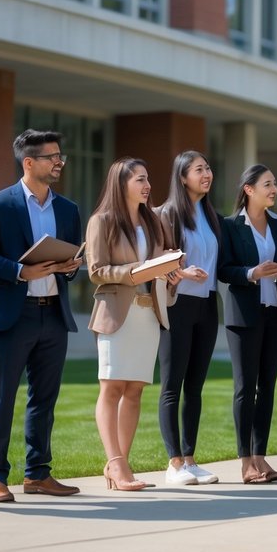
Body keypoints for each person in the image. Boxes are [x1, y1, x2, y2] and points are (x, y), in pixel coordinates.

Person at [0, 130, 83, 504]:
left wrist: (70, 267)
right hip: (12, 314)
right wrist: (22, 272)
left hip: (54, 313)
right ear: (29, 162)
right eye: (52, 156)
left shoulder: (68, 209)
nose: (58, 163)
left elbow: (71, 264)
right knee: (1, 397)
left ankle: (38, 474)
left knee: (44, 399)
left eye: (60, 156)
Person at [85, 157, 180, 491]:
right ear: (121, 183)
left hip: (147, 313)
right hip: (116, 313)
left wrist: (172, 273)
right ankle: (116, 463)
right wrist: (137, 271)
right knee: (111, 388)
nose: (146, 184)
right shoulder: (102, 221)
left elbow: (161, 268)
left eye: (147, 178)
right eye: (139, 178)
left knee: (136, 390)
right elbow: (96, 271)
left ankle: (120, 465)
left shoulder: (154, 222)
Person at [217, 164, 277, 484]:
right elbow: (224, 270)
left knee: (268, 387)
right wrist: (252, 273)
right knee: (245, 387)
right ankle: (245, 461)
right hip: (244, 316)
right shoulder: (231, 226)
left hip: (275, 312)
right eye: (267, 184)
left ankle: (261, 457)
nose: (273, 189)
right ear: (249, 189)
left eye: (275, 183)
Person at [156, 151, 221, 486]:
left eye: (208, 168)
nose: (206, 174)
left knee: (195, 386)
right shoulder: (167, 214)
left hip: (207, 306)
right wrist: (180, 272)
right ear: (183, 178)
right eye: (199, 170)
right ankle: (174, 462)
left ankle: (191, 459)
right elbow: (154, 262)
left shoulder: (211, 216)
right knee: (172, 385)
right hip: (177, 306)